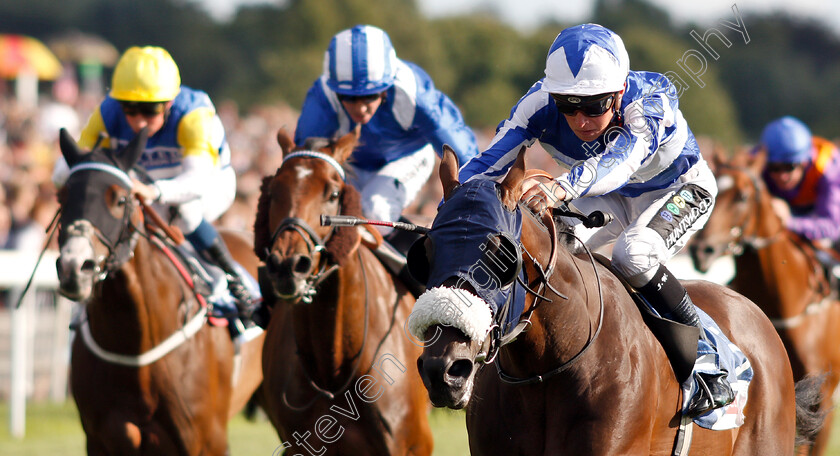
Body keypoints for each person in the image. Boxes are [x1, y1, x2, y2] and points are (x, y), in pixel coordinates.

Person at [459, 23, 732, 418]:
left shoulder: (650, 100)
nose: (581, 119)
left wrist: (561, 188)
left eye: (595, 105)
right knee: (549, 241)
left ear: (620, 92)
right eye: (567, 105)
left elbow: (619, 163)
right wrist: (454, 198)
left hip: (678, 190)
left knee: (633, 255)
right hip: (608, 195)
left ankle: (709, 361)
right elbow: (492, 160)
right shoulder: (538, 102)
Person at [52, 46, 258, 330]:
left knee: (184, 211)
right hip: (140, 186)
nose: (138, 121)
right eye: (130, 109)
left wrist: (156, 192)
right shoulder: (109, 110)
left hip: (206, 185)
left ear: (170, 102)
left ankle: (233, 280)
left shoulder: (194, 113)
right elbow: (66, 168)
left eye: (150, 110)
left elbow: (198, 180)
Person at [295, 24, 479, 237]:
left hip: (405, 159)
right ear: (335, 90)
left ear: (386, 87)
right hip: (351, 164)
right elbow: (302, 163)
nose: (360, 108)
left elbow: (465, 157)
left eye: (370, 96)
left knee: (376, 210)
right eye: (349, 97)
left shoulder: (415, 96)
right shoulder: (322, 96)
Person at [758, 116, 840, 262]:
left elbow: (832, 227)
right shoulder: (758, 160)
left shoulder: (828, 168)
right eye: (774, 168)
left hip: (823, 220)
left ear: (804, 162)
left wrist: (789, 222)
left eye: (789, 167)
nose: (782, 176)